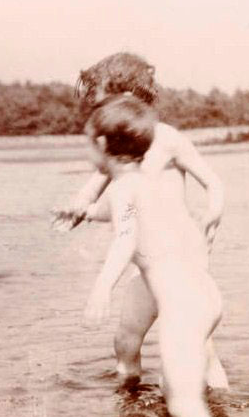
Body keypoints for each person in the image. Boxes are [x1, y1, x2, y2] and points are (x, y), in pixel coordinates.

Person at [52, 52, 229, 389]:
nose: (99, 114)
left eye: (103, 104)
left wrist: (213, 214)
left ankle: (221, 411)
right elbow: (93, 188)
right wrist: (76, 211)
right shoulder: (120, 143)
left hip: (179, 261)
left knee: (200, 348)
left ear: (130, 98)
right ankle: (130, 404)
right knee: (125, 339)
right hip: (148, 265)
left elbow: (213, 182)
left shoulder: (166, 139)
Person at [83, 95, 223, 417]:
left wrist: (102, 287)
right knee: (177, 393)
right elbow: (114, 213)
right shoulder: (147, 184)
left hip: (183, 306)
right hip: (204, 293)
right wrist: (83, 212)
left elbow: (125, 238)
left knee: (183, 407)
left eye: (86, 145)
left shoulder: (123, 189)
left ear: (101, 144)